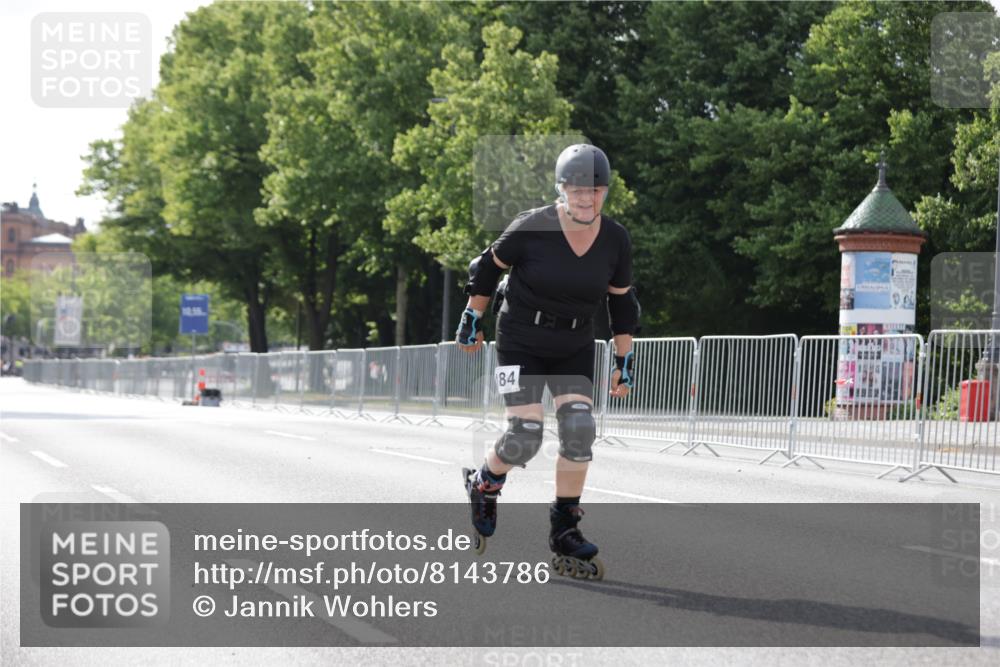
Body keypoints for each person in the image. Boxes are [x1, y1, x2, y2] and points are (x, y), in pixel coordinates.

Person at [455, 143, 639, 579]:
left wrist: (623, 360)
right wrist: (471, 316)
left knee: (579, 430)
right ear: (561, 189)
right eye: (576, 190)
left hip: (573, 342)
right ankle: (485, 484)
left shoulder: (615, 239)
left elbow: (621, 303)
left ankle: (565, 530)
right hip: (519, 338)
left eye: (595, 190)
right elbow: (486, 267)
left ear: (605, 192)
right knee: (526, 434)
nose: (586, 198)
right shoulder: (532, 226)